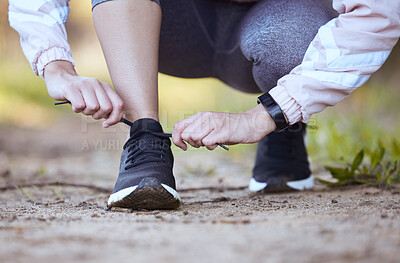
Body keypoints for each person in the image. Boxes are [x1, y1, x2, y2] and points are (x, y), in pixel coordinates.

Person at [9, 0, 400, 210]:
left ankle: (283, 125)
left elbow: (376, 15)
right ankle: (146, 144)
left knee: (292, 39)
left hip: (277, 19)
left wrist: (262, 116)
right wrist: (54, 64)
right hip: (175, 24)